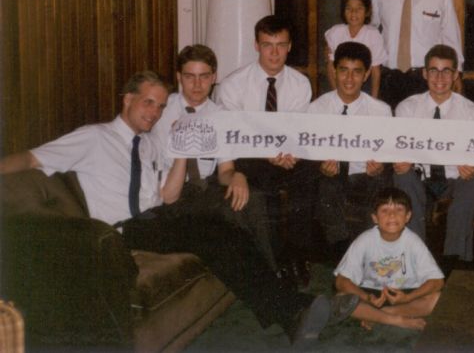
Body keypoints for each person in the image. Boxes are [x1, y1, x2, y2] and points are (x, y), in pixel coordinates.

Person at [0, 71, 358, 344]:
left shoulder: (148, 145)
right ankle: (294, 310)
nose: (154, 112)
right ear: (127, 100)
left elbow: (167, 196)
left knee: (226, 229)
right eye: (147, 103)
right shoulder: (93, 137)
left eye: (159, 104)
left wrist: (182, 154)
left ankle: (291, 311)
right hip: (123, 230)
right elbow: (31, 159)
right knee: (214, 233)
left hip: (159, 215)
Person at [151, 44, 277, 270]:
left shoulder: (220, 116)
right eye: (190, 77)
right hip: (172, 194)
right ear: (179, 77)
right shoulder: (161, 109)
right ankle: (268, 278)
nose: (197, 85)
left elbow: (224, 172)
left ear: (214, 77)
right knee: (233, 210)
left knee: (252, 198)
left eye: (204, 77)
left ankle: (268, 273)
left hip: (205, 189)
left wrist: (238, 175)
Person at [215, 15, 318, 286]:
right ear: (256, 45)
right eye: (267, 45)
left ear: (290, 46)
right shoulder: (233, 85)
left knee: (308, 173)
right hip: (248, 157)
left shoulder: (300, 84)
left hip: (286, 154)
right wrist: (266, 152)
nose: (274, 52)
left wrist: (288, 152)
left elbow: (296, 129)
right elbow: (231, 135)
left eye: (281, 45)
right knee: (265, 181)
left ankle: (298, 255)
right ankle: (277, 262)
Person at [393, 44, 474, 271]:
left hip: (455, 180)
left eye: (446, 71)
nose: (439, 77)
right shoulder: (407, 108)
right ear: (424, 73)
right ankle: (416, 258)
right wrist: (400, 162)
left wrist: (473, 167)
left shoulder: (471, 112)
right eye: (433, 70)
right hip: (420, 179)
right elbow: (399, 150)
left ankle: (454, 262)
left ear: (455, 75)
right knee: (402, 176)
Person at [310, 41, 393, 256]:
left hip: (365, 175)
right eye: (343, 71)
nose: (349, 79)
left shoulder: (381, 111)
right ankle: (342, 251)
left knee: (379, 183)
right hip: (331, 175)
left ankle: (365, 251)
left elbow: (385, 154)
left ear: (366, 75)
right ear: (334, 71)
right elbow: (308, 150)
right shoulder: (316, 109)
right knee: (325, 186)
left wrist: (379, 167)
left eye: (357, 72)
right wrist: (320, 166)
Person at [371, 0, 464, 109]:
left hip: (425, 79)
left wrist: (457, 71)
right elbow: (372, 31)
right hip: (389, 78)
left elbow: (451, 35)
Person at [334, 188, 444, 331]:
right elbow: (341, 281)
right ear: (375, 218)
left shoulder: (413, 241)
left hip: (405, 294)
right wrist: (368, 298)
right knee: (340, 298)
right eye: (385, 210)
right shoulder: (364, 240)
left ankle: (379, 316)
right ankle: (394, 320)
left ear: (408, 216)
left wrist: (407, 298)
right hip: (370, 294)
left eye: (399, 210)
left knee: (438, 298)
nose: (392, 215)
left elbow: (437, 281)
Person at [324, 0, 387, 99]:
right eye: (349, 8)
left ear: (367, 11)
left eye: (359, 8)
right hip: (340, 83)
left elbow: (376, 71)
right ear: (343, 11)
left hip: (364, 85)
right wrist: (336, 94)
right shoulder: (335, 32)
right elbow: (330, 67)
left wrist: (374, 98)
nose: (353, 13)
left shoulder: (373, 35)